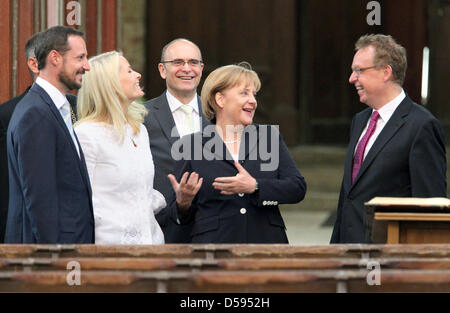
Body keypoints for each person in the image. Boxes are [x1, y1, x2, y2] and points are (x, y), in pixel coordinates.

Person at [166, 62, 307, 243]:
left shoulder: (268, 137)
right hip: (214, 249)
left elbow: (297, 188)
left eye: (254, 94)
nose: (253, 101)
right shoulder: (191, 145)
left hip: (265, 246)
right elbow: (177, 216)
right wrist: (183, 203)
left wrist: (255, 186)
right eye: (244, 93)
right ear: (220, 100)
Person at [330, 34, 447, 244]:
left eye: (359, 70)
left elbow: (430, 209)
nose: (351, 78)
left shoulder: (422, 126)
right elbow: (348, 197)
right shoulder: (360, 121)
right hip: (348, 253)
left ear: (386, 72)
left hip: (389, 259)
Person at [4, 26, 94, 244]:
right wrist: (53, 257)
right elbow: (40, 198)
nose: (87, 66)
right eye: (80, 57)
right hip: (53, 255)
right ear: (55, 58)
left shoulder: (56, 107)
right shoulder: (35, 113)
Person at [75, 51, 166, 244]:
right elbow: (80, 202)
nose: (138, 75)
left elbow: (140, 191)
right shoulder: (86, 134)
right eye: (130, 71)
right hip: (110, 253)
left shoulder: (138, 130)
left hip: (152, 248)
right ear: (110, 83)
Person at [143, 38, 209, 243]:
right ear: (162, 70)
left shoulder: (219, 115)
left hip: (213, 228)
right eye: (178, 62)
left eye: (193, 62)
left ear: (201, 68)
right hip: (163, 228)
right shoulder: (141, 117)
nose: (187, 69)